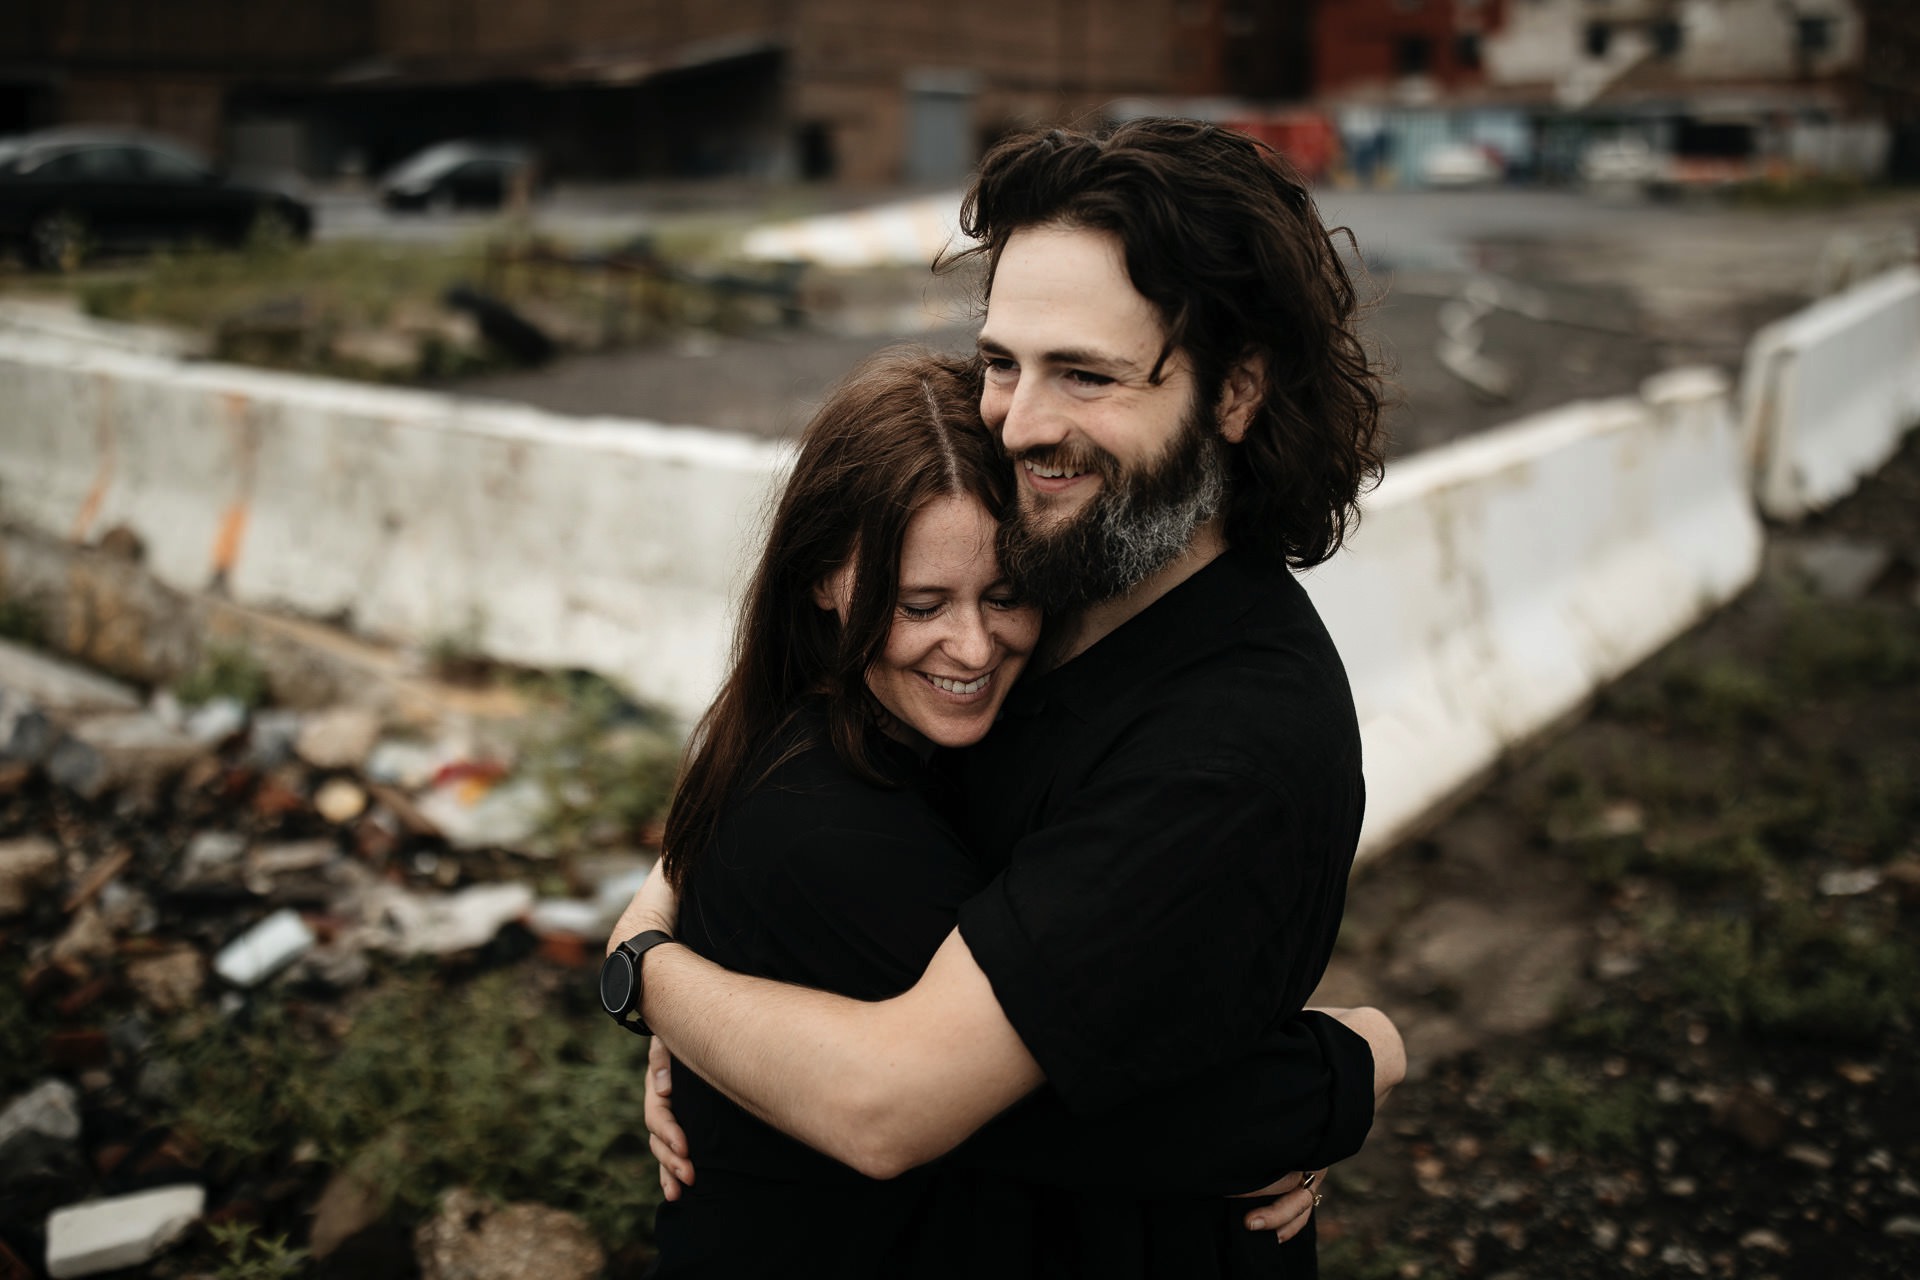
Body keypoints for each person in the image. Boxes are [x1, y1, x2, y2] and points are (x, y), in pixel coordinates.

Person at [612, 117, 1401, 1273]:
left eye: (1085, 373)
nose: (1019, 423)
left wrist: (651, 974)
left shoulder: (1226, 741)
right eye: (1001, 361)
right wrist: (682, 934)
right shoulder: (1052, 565)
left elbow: (902, 1094)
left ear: (1235, 391)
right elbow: (787, 756)